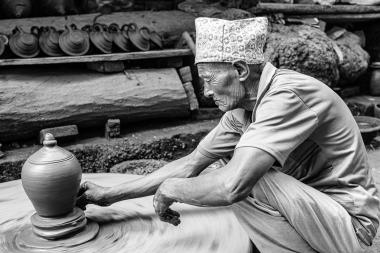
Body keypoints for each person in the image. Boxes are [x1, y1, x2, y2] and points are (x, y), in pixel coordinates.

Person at [76, 17, 380, 252]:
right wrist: (109, 196)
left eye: (210, 79)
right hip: (314, 214)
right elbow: (191, 163)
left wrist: (173, 189)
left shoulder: (288, 96)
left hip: (351, 226)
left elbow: (232, 187)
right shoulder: (242, 110)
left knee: (242, 177)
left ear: (240, 70)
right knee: (221, 169)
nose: (206, 92)